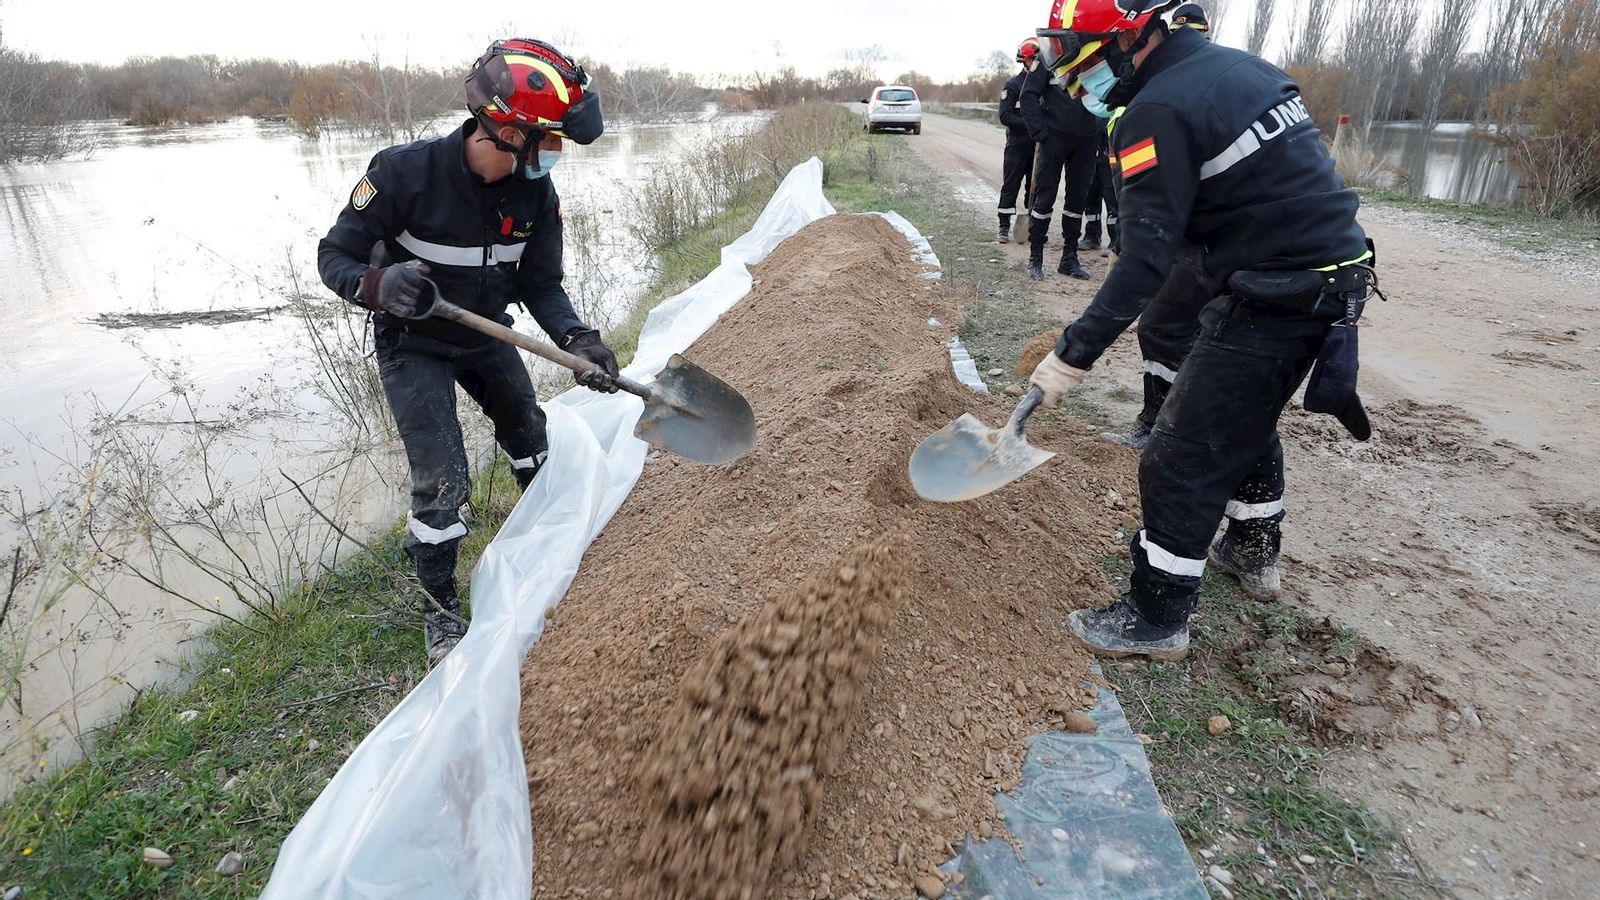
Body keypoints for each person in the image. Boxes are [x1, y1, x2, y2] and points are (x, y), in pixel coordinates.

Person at [1026, 0, 1376, 660]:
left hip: (1279, 290)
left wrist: (1073, 352)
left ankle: (1157, 615)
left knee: (1179, 454)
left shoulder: (1156, 109)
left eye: (1075, 57)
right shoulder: (1238, 69)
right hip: (1321, 272)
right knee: (1238, 413)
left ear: (1130, 39)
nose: (1069, 75)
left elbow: (1145, 257)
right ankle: (1251, 548)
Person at [317, 37, 620, 665]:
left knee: (532, 440)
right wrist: (377, 285)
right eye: (550, 141)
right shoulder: (402, 173)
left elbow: (541, 284)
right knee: (442, 478)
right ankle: (441, 611)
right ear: (507, 132)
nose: (555, 154)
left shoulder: (537, 196)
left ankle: (546, 549)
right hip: (414, 343)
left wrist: (578, 339)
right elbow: (333, 255)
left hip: (486, 334)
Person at [1019, 40, 1102, 280]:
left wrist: (1100, 130)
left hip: (1087, 140)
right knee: (1044, 199)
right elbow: (1028, 96)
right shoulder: (1050, 55)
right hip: (1054, 139)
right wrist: (1040, 132)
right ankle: (1036, 258)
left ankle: (1069, 258)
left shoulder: (1100, 53)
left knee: (1077, 201)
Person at [996, 38, 1042, 244]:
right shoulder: (1013, 86)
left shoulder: (1044, 86)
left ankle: (1032, 225)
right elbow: (1005, 116)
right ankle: (1004, 226)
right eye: (1035, 60)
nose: (1038, 64)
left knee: (1035, 187)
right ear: (1025, 61)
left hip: (1038, 146)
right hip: (1017, 144)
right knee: (1011, 184)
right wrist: (1031, 124)